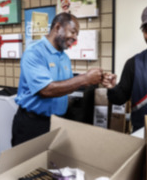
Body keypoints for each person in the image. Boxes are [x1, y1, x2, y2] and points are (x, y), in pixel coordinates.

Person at [12, 12, 103, 146]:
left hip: (58, 123)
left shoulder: (64, 57)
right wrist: (85, 78)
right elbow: (46, 90)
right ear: (58, 27)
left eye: (77, 34)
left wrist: (98, 79)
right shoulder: (34, 52)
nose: (75, 38)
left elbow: (68, 85)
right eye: (73, 32)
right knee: (28, 165)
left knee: (52, 166)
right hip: (33, 125)